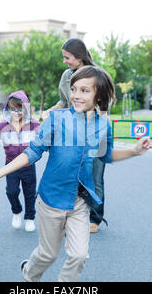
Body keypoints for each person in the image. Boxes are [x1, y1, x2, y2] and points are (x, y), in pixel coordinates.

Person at [0, 66, 152, 282]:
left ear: (99, 95)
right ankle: (29, 274)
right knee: (47, 254)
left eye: (85, 90)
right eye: (74, 89)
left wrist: (134, 151)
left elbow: (105, 156)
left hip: (80, 202)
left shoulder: (104, 125)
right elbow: (32, 152)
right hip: (51, 200)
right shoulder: (57, 119)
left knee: (79, 255)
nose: (76, 95)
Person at [43, 38, 106, 233]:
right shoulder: (66, 76)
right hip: (70, 135)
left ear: (78, 57)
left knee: (94, 177)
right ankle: (72, 216)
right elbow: (64, 101)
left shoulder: (98, 75)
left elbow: (103, 108)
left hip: (94, 134)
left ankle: (95, 218)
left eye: (67, 57)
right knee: (70, 175)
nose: (65, 61)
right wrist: (51, 110)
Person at [0, 91, 40, 232]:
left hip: (28, 165)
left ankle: (30, 217)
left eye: (20, 109)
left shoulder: (34, 125)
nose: (17, 113)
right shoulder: (2, 127)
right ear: (7, 109)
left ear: (25, 109)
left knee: (30, 193)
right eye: (13, 109)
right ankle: (16, 211)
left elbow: (46, 139)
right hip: (11, 165)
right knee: (11, 192)